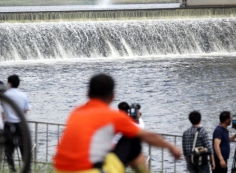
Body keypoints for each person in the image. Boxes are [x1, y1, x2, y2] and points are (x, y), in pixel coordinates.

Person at [53, 73, 181, 173]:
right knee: (132, 141)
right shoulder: (112, 116)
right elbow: (148, 137)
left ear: (88, 94)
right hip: (90, 171)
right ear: (113, 96)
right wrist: (171, 147)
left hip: (60, 170)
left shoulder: (75, 113)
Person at [3, 74, 30, 172]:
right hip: (21, 126)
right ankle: (26, 169)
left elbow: (2, 110)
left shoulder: (5, 95)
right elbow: (26, 110)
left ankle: (12, 170)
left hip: (9, 125)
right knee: (23, 149)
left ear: (9, 83)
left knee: (9, 151)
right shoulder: (23, 95)